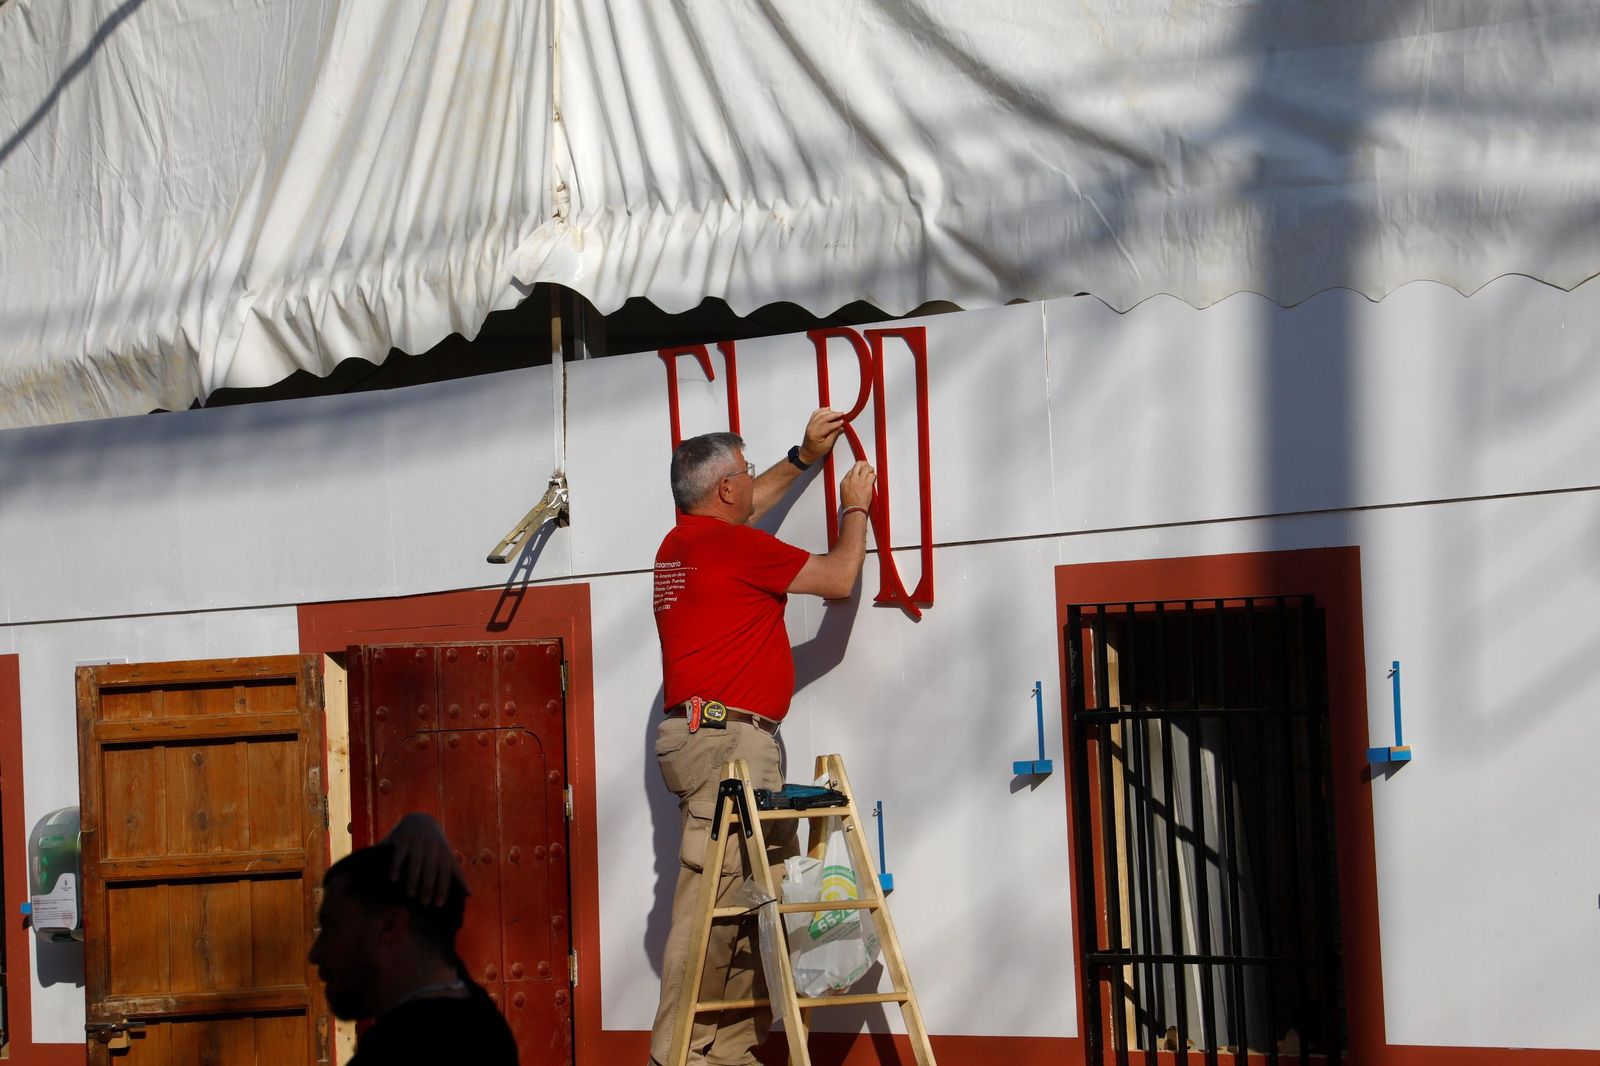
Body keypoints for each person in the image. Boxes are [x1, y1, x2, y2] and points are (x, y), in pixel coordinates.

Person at [649, 409, 875, 1066]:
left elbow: (745, 509)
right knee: (713, 908)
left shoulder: (682, 544)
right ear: (725, 489)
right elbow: (838, 579)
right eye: (745, 474)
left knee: (749, 906)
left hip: (717, 741)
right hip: (729, 747)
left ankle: (727, 1053)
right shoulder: (734, 548)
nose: (753, 483)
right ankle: (681, 1057)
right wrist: (852, 508)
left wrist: (802, 458)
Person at [310, 837, 519, 1066]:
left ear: (390, 927)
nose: (316, 953)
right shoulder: (477, 1021)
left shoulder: (407, 1048)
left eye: (333, 928)